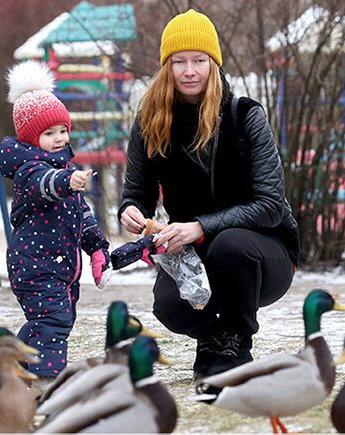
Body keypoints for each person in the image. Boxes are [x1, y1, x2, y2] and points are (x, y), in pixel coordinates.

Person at [118, 9, 299, 380]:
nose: (189, 71)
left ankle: (237, 340)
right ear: (166, 66)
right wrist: (131, 209)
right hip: (192, 251)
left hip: (264, 254)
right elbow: (137, 190)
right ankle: (214, 340)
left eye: (199, 61)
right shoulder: (150, 119)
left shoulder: (245, 116)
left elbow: (270, 205)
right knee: (168, 306)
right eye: (179, 61)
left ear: (213, 64)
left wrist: (201, 227)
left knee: (229, 244)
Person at [0, 61, 111, 388]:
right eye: (49, 133)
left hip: (60, 266)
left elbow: (81, 215)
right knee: (53, 319)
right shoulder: (29, 171)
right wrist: (66, 181)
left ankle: (18, 369)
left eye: (63, 130)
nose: (60, 138)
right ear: (32, 139)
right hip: (35, 265)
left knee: (55, 321)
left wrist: (97, 248)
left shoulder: (66, 167)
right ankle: (45, 381)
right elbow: (45, 184)